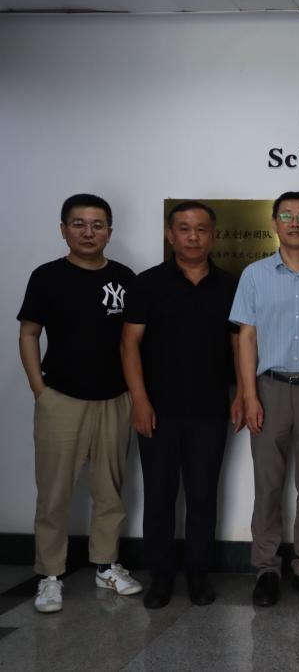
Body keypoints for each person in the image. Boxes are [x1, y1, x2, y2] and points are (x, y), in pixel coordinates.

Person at [17, 193, 141, 613]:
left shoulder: (124, 277)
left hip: (115, 399)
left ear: (109, 231)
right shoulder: (47, 276)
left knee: (110, 490)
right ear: (64, 229)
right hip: (61, 399)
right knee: (53, 494)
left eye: (97, 225)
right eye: (79, 224)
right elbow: (29, 333)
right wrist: (39, 389)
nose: (88, 232)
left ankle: (106, 565)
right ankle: (50, 575)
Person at [120, 201, 243, 609]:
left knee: (204, 495)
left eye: (201, 229)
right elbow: (129, 344)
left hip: (211, 409)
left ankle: (197, 573)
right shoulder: (148, 283)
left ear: (213, 236)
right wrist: (140, 400)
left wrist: (243, 393)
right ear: (170, 235)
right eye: (185, 229)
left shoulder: (229, 286)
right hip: (158, 409)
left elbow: (238, 345)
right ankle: (160, 574)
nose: (193, 236)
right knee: (159, 494)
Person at [230, 191, 299, 607]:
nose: (294, 223)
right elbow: (246, 338)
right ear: (274, 222)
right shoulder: (255, 275)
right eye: (287, 215)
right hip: (269, 389)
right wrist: (249, 394)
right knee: (268, 484)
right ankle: (267, 569)